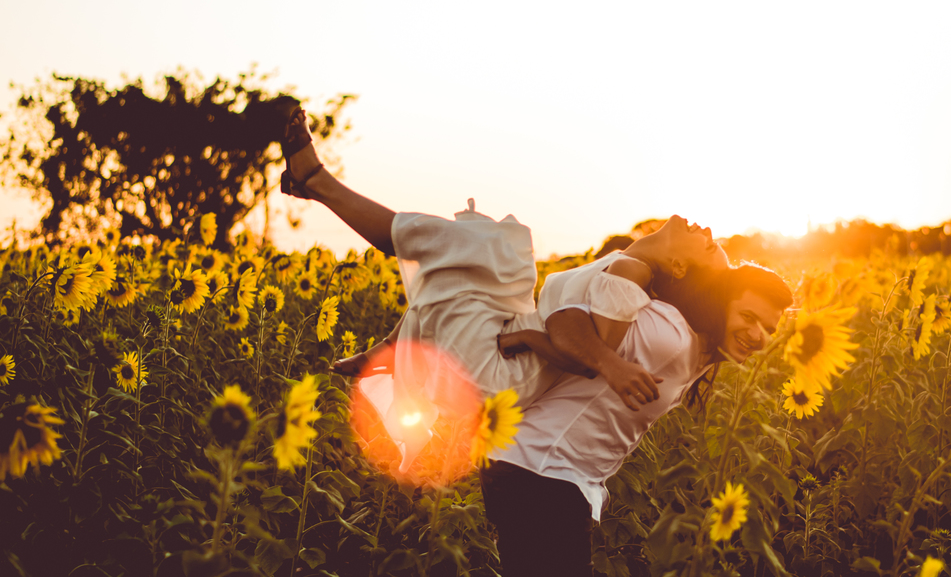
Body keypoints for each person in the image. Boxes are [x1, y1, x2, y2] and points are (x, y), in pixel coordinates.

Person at [278, 108, 728, 455]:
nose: (707, 232)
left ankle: (316, 182)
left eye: (710, 246)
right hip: (508, 348)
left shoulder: (634, 275)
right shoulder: (626, 264)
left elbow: (590, 358)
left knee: (475, 250)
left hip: (502, 372)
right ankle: (390, 350)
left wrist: (533, 336)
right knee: (490, 258)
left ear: (681, 269)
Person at [481, 262, 794, 577]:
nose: (757, 334)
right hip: (541, 472)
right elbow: (571, 319)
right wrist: (590, 357)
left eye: (768, 327)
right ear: (720, 302)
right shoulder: (671, 334)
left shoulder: (698, 351)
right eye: (748, 316)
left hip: (549, 474)